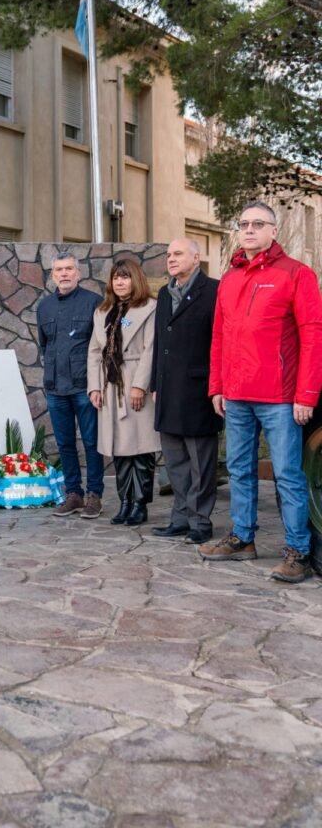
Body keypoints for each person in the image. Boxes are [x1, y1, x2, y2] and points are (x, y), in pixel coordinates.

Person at [199, 202, 322, 582]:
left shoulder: (296, 274)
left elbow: (313, 335)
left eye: (258, 224)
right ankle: (242, 539)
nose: (249, 230)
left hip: (280, 397)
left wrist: (306, 394)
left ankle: (298, 552)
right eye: (244, 224)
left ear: (273, 231)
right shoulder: (231, 278)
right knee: (239, 469)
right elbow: (219, 336)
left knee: (288, 475)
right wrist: (217, 386)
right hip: (236, 395)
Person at [150, 239, 222, 545]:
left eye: (178, 254)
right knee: (175, 463)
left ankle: (200, 522)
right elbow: (159, 343)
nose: (171, 259)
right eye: (168, 255)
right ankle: (179, 519)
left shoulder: (215, 291)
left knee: (201, 465)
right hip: (167, 390)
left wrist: (218, 385)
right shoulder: (165, 294)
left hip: (199, 391)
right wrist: (155, 383)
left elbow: (221, 342)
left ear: (196, 258)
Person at [87, 259, 159, 526]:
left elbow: (151, 348)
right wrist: (94, 386)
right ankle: (125, 501)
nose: (119, 282)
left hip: (134, 380)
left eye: (125, 277)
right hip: (110, 384)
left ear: (135, 279)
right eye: (116, 277)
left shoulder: (150, 308)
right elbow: (94, 351)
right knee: (119, 449)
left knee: (140, 448)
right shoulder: (103, 311)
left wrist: (140, 384)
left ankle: (140, 503)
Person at [36, 251, 104, 519]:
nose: (64, 274)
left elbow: (100, 346)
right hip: (55, 387)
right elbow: (45, 344)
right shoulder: (44, 307)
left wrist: (97, 385)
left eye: (68, 269)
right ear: (52, 275)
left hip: (85, 386)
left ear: (78, 272)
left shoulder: (94, 303)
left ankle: (94, 495)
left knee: (91, 442)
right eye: (58, 270)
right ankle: (73, 494)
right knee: (64, 443)